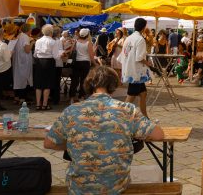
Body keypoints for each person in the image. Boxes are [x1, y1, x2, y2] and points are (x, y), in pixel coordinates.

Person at [44, 65, 163, 194]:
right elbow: (158, 135)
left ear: (89, 84)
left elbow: (49, 143)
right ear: (113, 85)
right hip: (116, 189)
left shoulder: (71, 111)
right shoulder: (127, 109)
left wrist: (75, 144)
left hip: (79, 188)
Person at [120, 18, 151, 118]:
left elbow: (123, 55)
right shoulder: (140, 39)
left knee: (143, 93)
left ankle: (145, 117)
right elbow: (139, 58)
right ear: (144, 27)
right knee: (131, 96)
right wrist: (148, 63)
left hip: (130, 70)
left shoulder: (129, 38)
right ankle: (121, 117)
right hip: (136, 72)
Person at [33, 24, 62, 110]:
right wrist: (61, 54)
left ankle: (38, 104)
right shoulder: (53, 42)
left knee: (38, 84)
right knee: (47, 84)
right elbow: (56, 56)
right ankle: (45, 104)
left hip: (39, 62)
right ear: (51, 32)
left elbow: (35, 54)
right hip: (49, 62)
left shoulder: (38, 41)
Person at [70, 28, 96, 103]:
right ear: (87, 35)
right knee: (83, 80)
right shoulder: (89, 43)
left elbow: (71, 51)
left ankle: (72, 97)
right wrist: (95, 63)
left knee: (74, 80)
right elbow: (91, 56)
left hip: (76, 63)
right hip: (85, 63)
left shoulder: (76, 41)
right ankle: (81, 96)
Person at [12, 24, 34, 105]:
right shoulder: (25, 37)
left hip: (18, 61)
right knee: (23, 79)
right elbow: (27, 50)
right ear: (28, 30)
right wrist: (32, 42)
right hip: (24, 61)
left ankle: (16, 97)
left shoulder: (19, 36)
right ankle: (22, 98)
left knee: (18, 79)